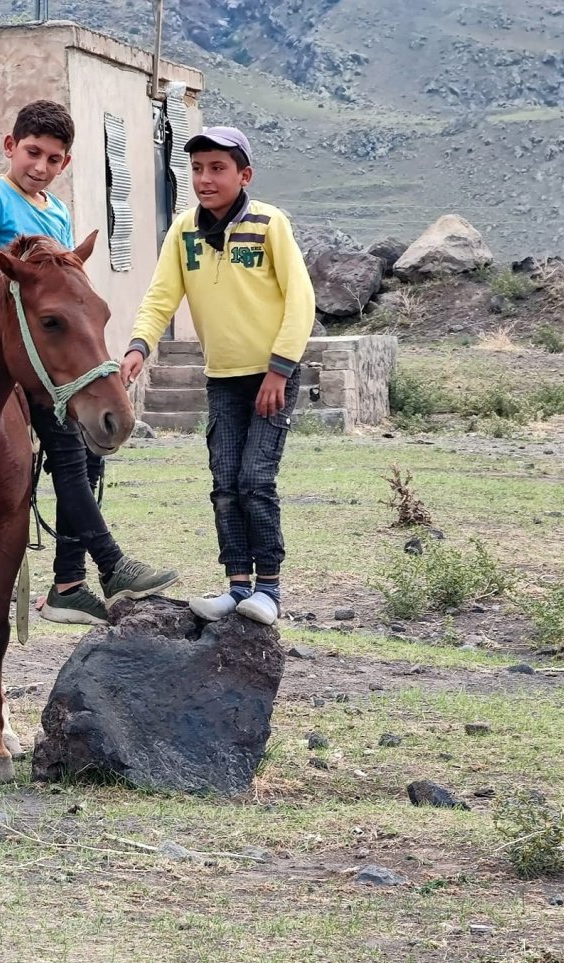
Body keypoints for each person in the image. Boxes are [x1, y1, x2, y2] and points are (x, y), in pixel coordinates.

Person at [0, 99, 178, 625]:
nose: (40, 166)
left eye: (54, 159)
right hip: (2, 358)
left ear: (65, 163)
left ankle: (69, 581)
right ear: (10, 147)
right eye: (32, 153)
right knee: (67, 445)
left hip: (42, 352)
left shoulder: (56, 213)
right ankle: (110, 564)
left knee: (85, 454)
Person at [120, 126, 315, 626]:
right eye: (198, 169)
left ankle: (269, 589)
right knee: (225, 483)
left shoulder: (270, 225)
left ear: (244, 175)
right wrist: (140, 345)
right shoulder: (183, 231)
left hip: (271, 377)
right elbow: (161, 295)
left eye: (218, 168)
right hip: (223, 379)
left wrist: (280, 369)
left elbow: (301, 300)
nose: (205, 179)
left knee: (255, 480)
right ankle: (236, 587)